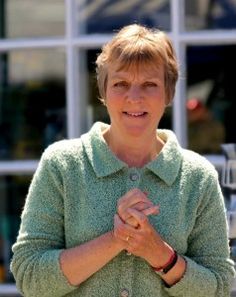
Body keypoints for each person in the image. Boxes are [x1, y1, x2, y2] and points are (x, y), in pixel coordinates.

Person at [10, 24, 235, 297]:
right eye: (121, 84)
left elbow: (220, 287)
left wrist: (160, 254)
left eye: (149, 84)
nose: (134, 97)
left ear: (169, 93)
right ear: (103, 91)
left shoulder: (198, 177)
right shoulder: (62, 165)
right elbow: (29, 276)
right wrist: (116, 239)